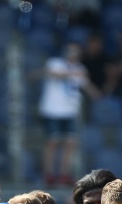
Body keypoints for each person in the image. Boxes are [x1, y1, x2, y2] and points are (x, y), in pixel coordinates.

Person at [39, 43, 93, 186]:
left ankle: (64, 174)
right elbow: (53, 74)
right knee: (53, 142)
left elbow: (86, 85)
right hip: (52, 110)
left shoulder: (80, 68)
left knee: (70, 143)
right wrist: (72, 73)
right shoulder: (55, 63)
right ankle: (49, 174)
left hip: (70, 111)